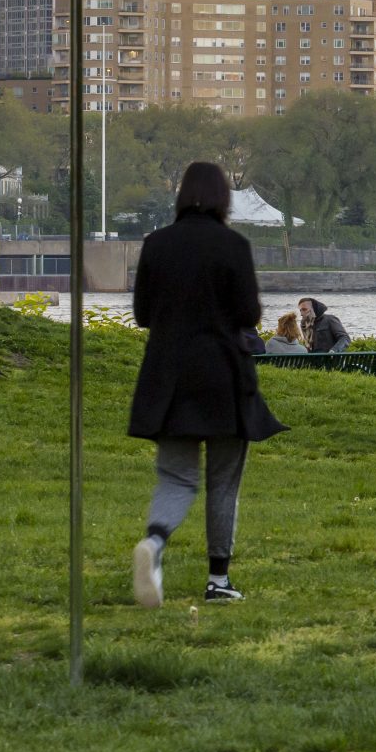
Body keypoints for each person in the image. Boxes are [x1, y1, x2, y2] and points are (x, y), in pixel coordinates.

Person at [128, 162, 286, 609]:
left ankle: (154, 543)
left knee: (176, 477)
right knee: (223, 482)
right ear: (223, 198)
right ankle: (218, 580)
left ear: (181, 195)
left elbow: (142, 315)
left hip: (167, 377)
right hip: (223, 375)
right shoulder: (233, 245)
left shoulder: (156, 244)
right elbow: (249, 313)